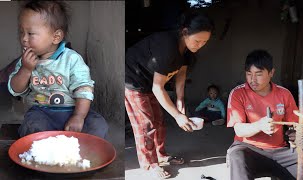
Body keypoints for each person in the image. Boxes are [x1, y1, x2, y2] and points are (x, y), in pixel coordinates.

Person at [125, 11, 214, 179]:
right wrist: (177, 116)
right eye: (197, 40)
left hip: (151, 82)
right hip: (133, 79)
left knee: (158, 120)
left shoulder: (188, 51)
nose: (200, 45)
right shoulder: (167, 46)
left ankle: (161, 155)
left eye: (204, 42)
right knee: (146, 124)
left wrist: (180, 100)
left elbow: (180, 76)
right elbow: (158, 88)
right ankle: (149, 164)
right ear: (185, 32)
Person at [8, 1, 108, 139]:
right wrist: (26, 69)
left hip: (73, 110)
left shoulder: (72, 59)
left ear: (56, 37)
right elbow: (15, 89)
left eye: (30, 33)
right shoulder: (25, 61)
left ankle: (79, 150)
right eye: (21, 32)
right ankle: (46, 152)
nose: (24, 39)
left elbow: (84, 90)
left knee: (98, 125)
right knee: (33, 126)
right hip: (41, 112)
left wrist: (78, 116)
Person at [226, 49, 303, 180]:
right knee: (236, 156)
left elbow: (295, 125)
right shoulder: (238, 93)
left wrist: (296, 133)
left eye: (258, 74)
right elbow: (239, 130)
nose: (252, 80)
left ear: (271, 73)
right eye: (249, 74)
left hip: (280, 151)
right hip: (249, 149)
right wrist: (259, 125)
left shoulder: (284, 94)